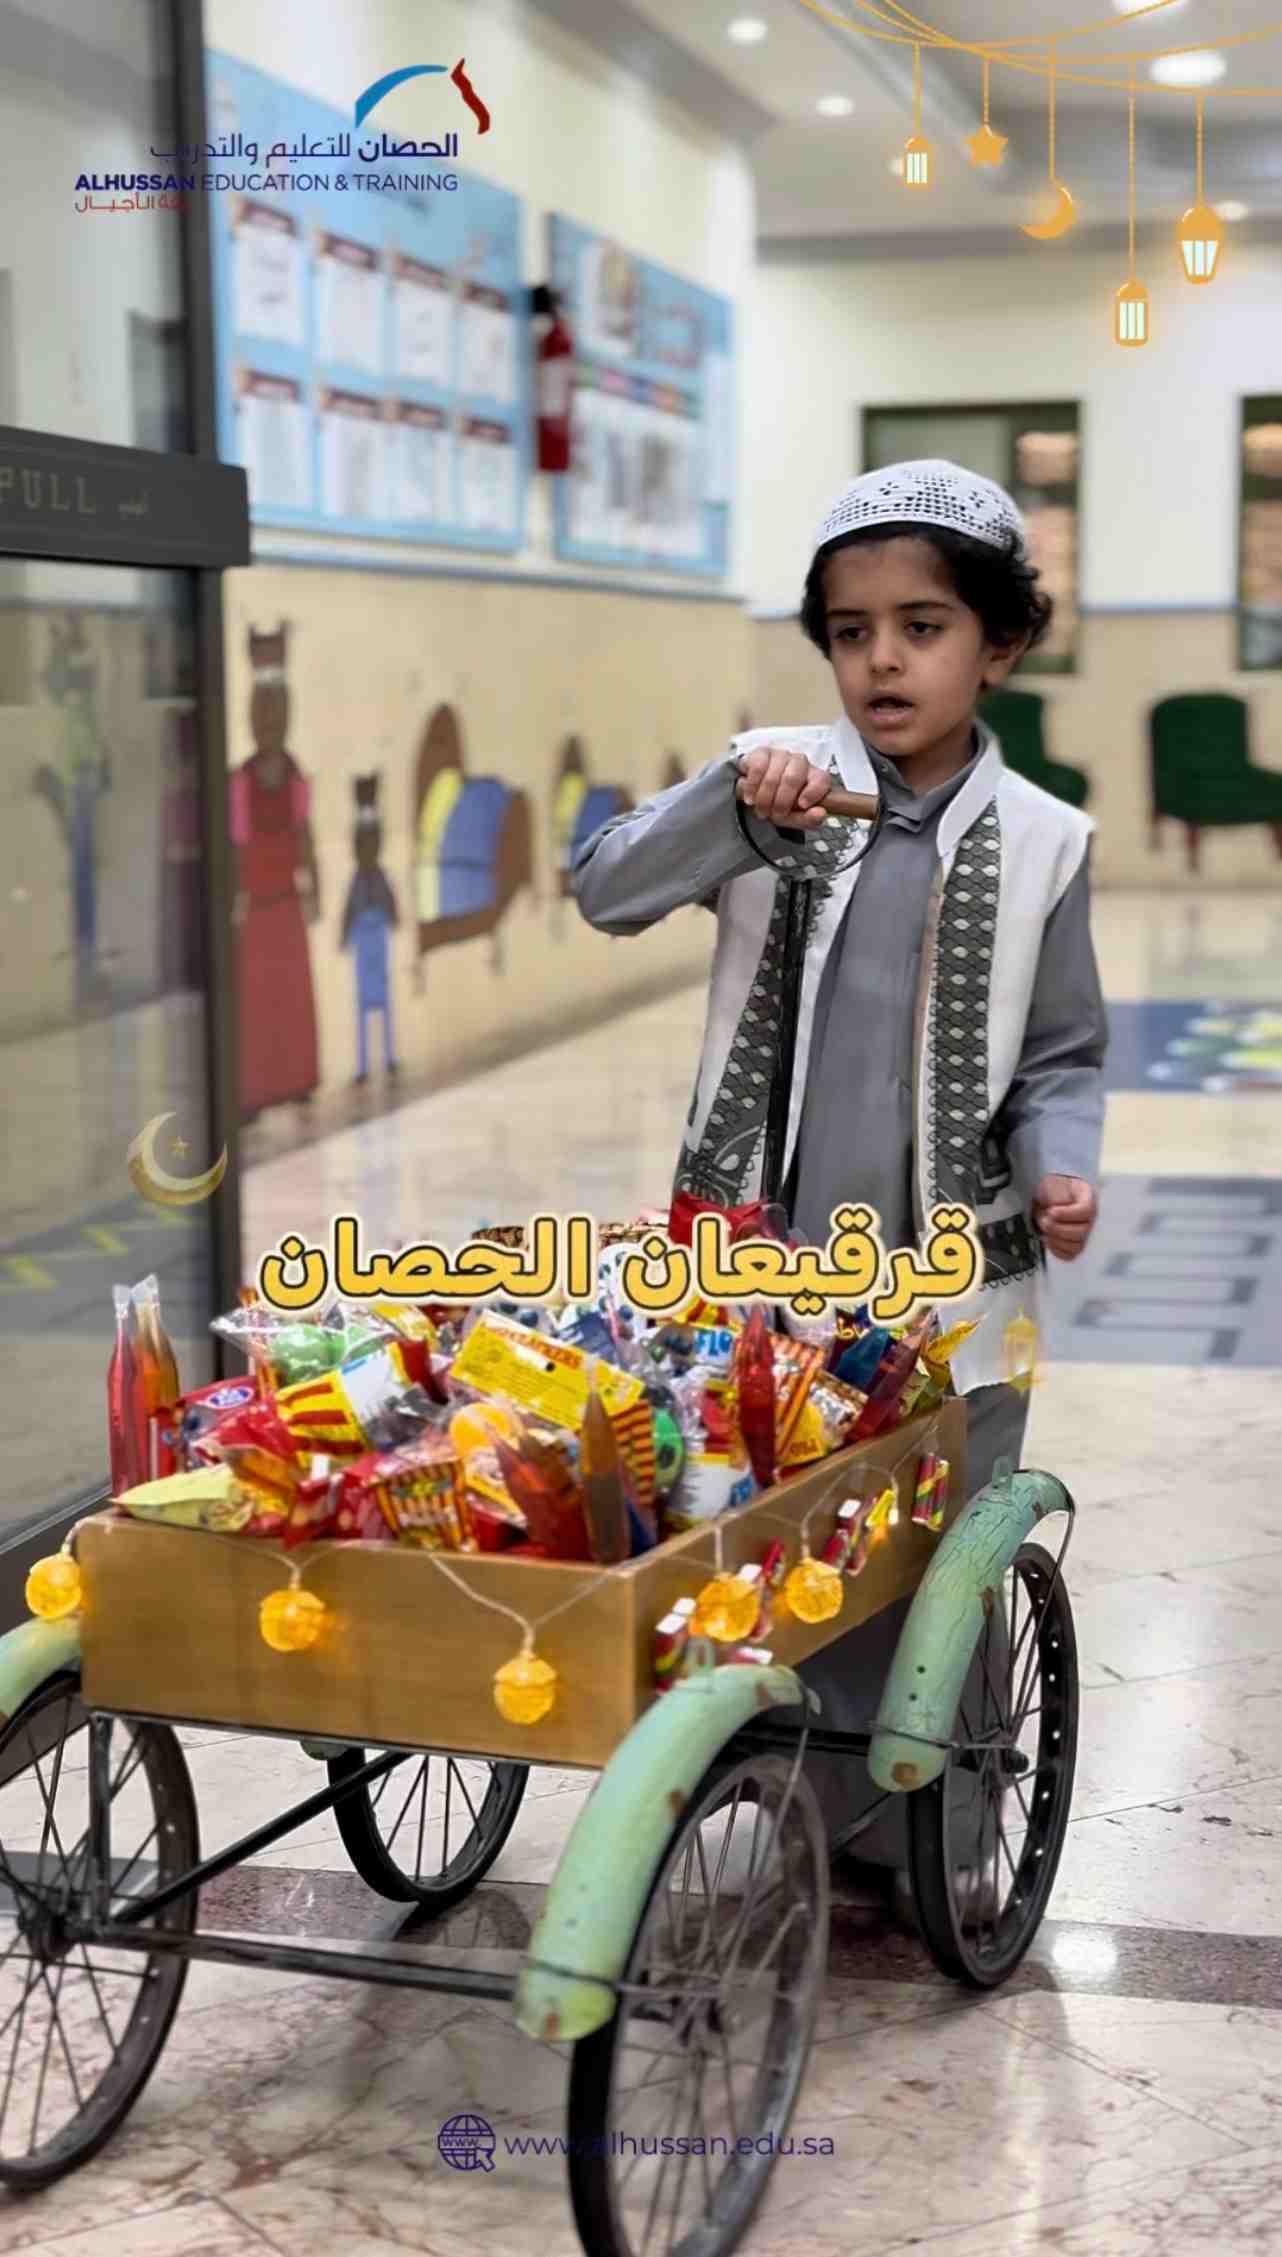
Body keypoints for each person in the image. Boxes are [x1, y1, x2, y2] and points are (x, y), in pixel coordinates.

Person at [571, 458, 1108, 1892]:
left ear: (998, 644)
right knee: (759, 1534)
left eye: (922, 627)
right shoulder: (770, 785)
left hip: (949, 1285)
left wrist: (1062, 1165)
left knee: (928, 1552)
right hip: (757, 1271)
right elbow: (607, 887)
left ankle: (932, 1836)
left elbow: (1062, 1054)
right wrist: (730, 803)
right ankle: (785, 1795)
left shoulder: (1045, 843)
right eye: (851, 631)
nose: (882, 661)